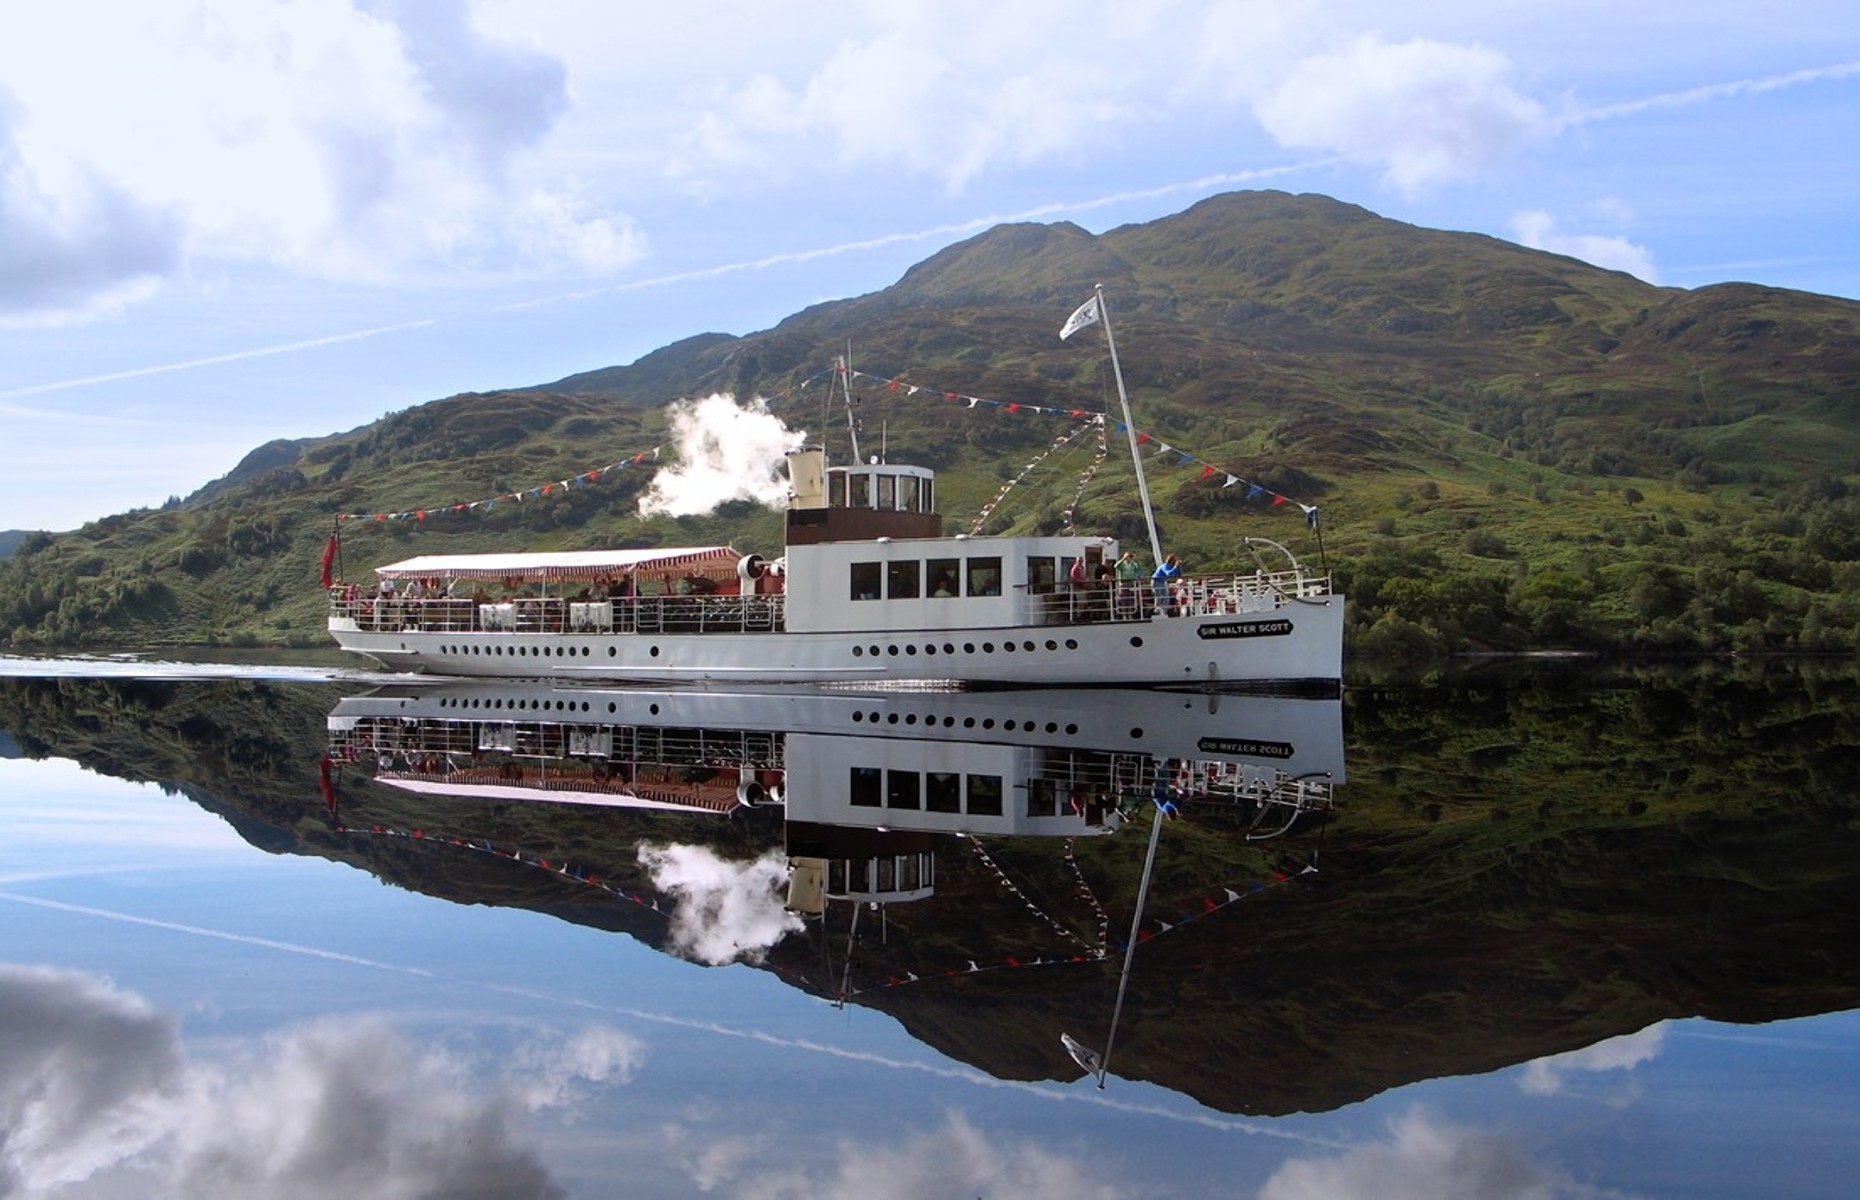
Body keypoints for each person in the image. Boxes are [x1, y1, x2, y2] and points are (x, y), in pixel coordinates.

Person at [1114, 550, 1145, 618]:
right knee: (1123, 601)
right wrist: (1123, 559)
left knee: (1131, 600)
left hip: (1132, 584)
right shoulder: (1122, 565)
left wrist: (1134, 561)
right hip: (1123, 585)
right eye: (1128, 556)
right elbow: (1116, 566)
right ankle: (1124, 615)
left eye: (1131, 556)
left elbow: (1139, 569)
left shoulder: (1133, 564)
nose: (1129, 557)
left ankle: (1130, 614)